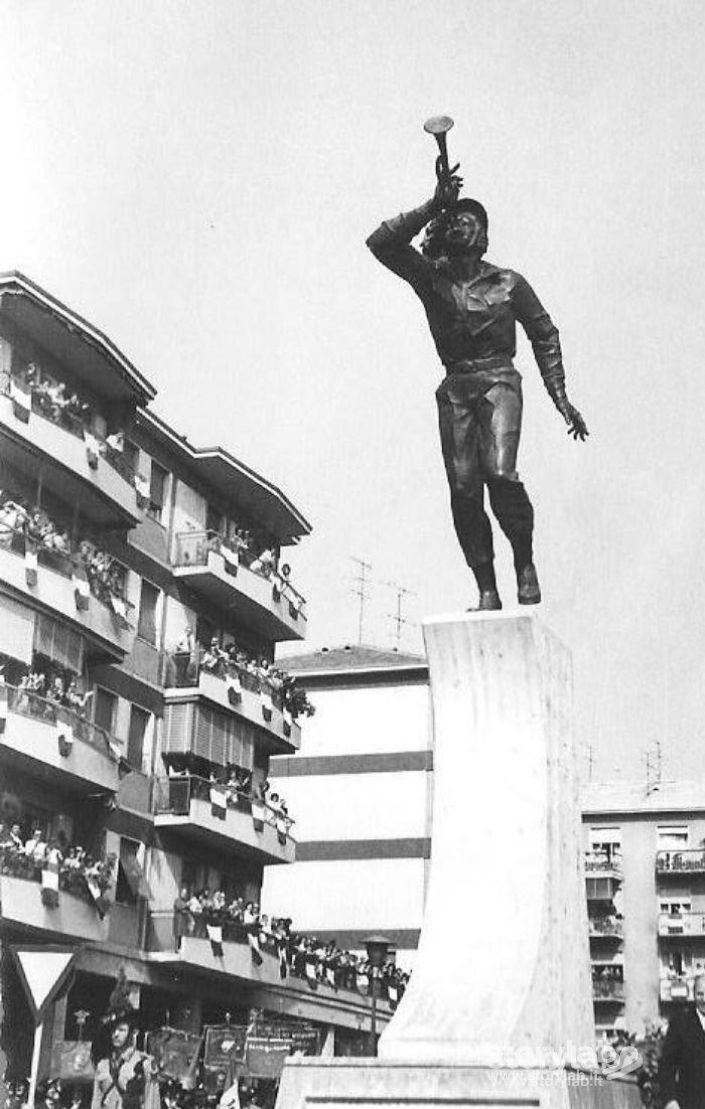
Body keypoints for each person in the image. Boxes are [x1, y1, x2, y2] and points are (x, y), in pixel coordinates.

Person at [366, 165, 588, 610]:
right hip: (456, 386)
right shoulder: (432, 278)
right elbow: (381, 243)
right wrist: (434, 203)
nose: (460, 224)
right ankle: (486, 586)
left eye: (471, 220)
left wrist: (560, 397)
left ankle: (523, 560)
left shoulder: (509, 282)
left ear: (485, 235)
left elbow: (545, 334)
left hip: (499, 380)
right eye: (455, 219)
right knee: (465, 492)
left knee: (500, 475)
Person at [91, 995, 160, 1109]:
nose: (116, 1034)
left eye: (121, 1029)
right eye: (113, 1030)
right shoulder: (103, 1065)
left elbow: (152, 1104)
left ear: (133, 1032)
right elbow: (96, 1103)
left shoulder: (145, 1065)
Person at [659, 972, 705, 1109]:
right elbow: (667, 1065)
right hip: (690, 1103)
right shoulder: (680, 1024)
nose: (704, 999)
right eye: (700, 994)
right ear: (693, 994)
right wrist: (670, 1099)